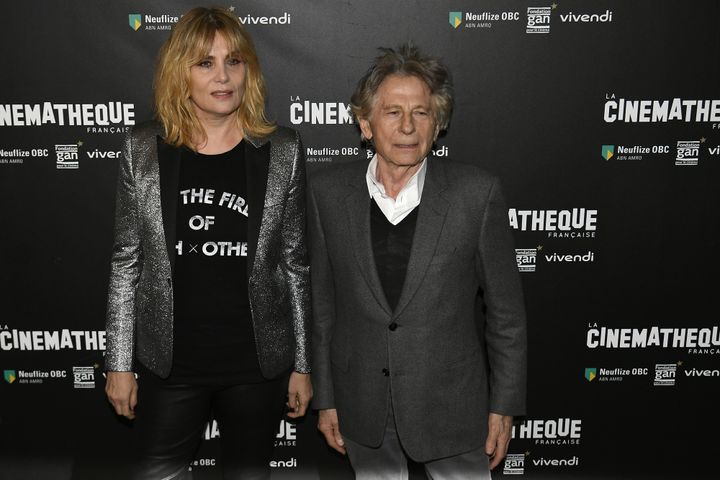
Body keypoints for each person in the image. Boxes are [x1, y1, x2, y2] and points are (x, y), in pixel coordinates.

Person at [104, 7, 311, 480]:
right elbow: (126, 264)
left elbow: (295, 265)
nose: (223, 76)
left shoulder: (283, 151)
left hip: (255, 363)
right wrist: (118, 363)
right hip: (171, 362)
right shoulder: (142, 151)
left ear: (249, 71)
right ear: (181, 72)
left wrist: (302, 363)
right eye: (205, 63)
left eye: (233, 61)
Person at [309, 44, 527, 479]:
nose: (407, 126)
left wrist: (503, 405)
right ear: (365, 123)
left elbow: (506, 315)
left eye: (421, 113)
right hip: (362, 403)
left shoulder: (475, 194)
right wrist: (326, 396)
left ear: (438, 123)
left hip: (453, 406)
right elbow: (323, 309)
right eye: (392, 112)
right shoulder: (327, 194)